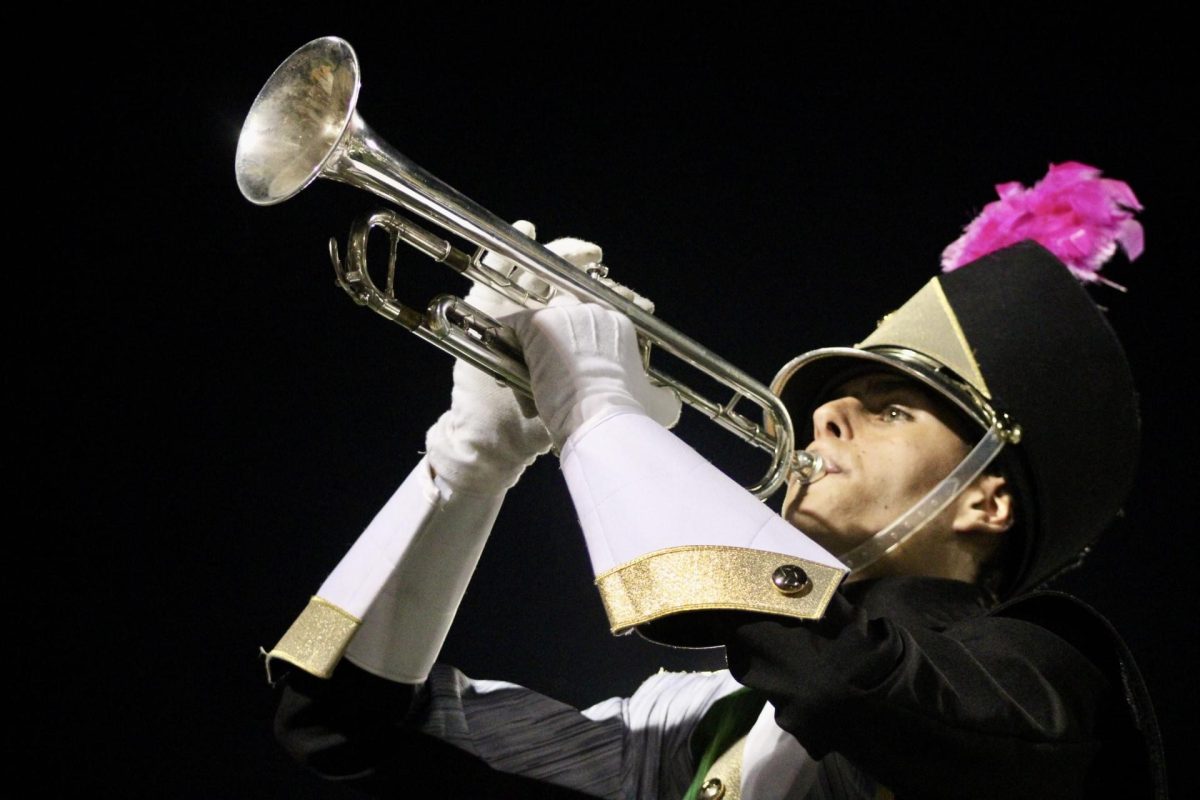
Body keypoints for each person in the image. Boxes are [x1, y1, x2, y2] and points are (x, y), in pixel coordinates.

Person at [266, 165, 1166, 798]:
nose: (827, 419)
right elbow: (343, 725)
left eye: (889, 409)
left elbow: (849, 679)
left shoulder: (1056, 679)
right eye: (832, 403)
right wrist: (471, 461)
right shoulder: (697, 726)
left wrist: (602, 415)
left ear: (986, 500)